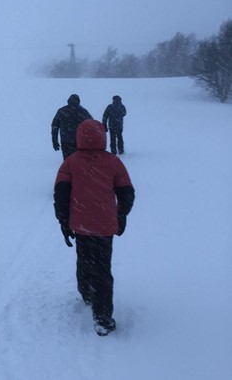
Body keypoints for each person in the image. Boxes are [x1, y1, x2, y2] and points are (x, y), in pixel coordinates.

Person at [53, 119, 135, 336]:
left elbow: (60, 195)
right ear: (103, 136)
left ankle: (86, 292)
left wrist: (64, 221)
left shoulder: (70, 163)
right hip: (104, 226)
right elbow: (127, 193)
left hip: (80, 225)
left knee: (84, 259)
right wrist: (121, 215)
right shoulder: (113, 163)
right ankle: (103, 316)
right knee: (102, 269)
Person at [51, 94, 92, 160]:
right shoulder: (83, 111)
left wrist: (55, 141)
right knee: (80, 163)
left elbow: (54, 127)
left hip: (65, 141)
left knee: (68, 164)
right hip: (80, 142)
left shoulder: (62, 111)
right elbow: (91, 126)